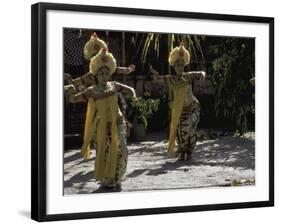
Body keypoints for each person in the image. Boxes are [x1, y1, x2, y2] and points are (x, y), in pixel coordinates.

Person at [65, 48, 137, 191]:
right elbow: (74, 99)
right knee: (105, 154)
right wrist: (70, 91)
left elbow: (130, 89)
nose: (104, 76)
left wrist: (134, 96)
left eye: (106, 73)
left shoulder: (114, 85)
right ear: (96, 75)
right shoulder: (91, 90)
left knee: (122, 151)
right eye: (101, 73)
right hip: (102, 127)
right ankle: (108, 180)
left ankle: (117, 177)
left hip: (118, 123)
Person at [150, 43, 206, 161]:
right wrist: (155, 76)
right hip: (179, 110)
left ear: (184, 66)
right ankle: (183, 150)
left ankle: (189, 150)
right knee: (180, 133)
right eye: (178, 66)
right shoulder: (170, 79)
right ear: (174, 67)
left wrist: (202, 75)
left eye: (181, 65)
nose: (180, 68)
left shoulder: (188, 76)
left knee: (190, 128)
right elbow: (158, 79)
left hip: (193, 107)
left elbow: (201, 72)